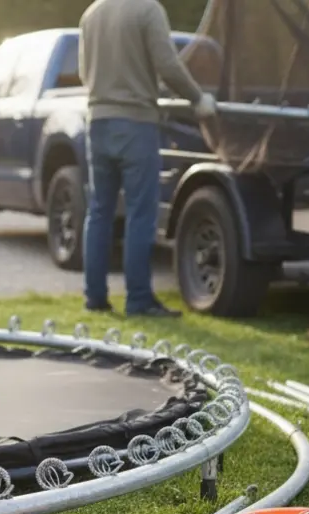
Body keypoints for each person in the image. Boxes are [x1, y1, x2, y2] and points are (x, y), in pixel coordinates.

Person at [78, 0, 217, 318]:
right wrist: (198, 98)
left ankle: (95, 298)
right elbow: (167, 65)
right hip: (136, 123)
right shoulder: (147, 9)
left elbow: (86, 73)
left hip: (97, 122)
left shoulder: (92, 13)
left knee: (99, 212)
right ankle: (139, 299)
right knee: (141, 214)